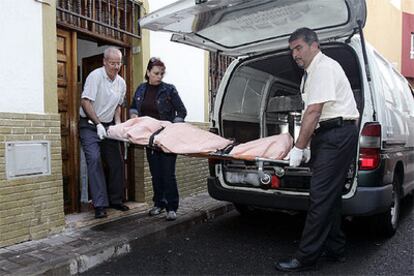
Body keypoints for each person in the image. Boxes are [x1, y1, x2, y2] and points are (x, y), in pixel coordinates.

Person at [275, 28, 359, 272]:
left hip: (337, 134)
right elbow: (315, 117)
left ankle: (306, 257)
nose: (295, 54)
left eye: (299, 47)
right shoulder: (311, 73)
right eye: (292, 50)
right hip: (330, 134)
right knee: (329, 197)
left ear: (314, 45)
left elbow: (314, 112)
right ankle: (336, 249)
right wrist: (311, 144)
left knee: (319, 196)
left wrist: (299, 148)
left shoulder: (322, 67)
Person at [129, 57, 187, 221]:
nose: (159, 76)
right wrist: (134, 117)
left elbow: (182, 111)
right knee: (156, 173)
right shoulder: (141, 89)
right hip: (149, 139)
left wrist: (172, 126)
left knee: (168, 174)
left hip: (167, 138)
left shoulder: (169, 90)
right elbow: (134, 107)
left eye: (162, 73)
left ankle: (171, 207)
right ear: (148, 72)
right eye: (156, 73)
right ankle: (159, 204)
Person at [79, 47, 129, 219]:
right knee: (94, 160)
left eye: (118, 63)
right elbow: (85, 102)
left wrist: (117, 125)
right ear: (104, 62)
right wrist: (98, 124)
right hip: (90, 125)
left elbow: (118, 106)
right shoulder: (95, 76)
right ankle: (100, 204)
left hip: (108, 126)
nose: (116, 67)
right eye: (112, 63)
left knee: (117, 162)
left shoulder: (121, 83)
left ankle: (115, 199)